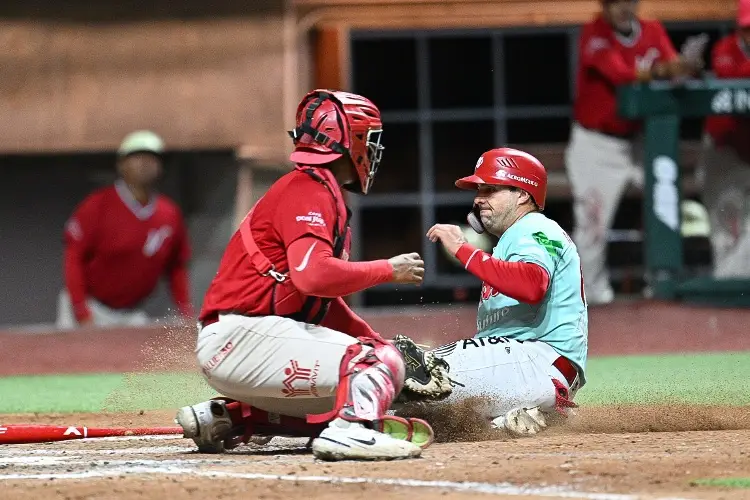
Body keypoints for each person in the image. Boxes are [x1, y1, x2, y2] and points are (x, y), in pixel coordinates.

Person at [175, 90, 435, 462]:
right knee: (374, 366)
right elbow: (313, 277)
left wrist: (377, 342)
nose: (375, 151)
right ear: (351, 141)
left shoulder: (317, 190)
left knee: (370, 377)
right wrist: (388, 270)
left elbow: (318, 302)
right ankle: (355, 433)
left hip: (249, 343)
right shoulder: (308, 188)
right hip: (245, 337)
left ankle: (230, 418)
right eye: (371, 139)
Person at [420, 147, 587, 436]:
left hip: (536, 360)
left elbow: (532, 285)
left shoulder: (534, 228)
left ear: (523, 194)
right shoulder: (512, 239)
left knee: (412, 372)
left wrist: (463, 250)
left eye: (490, 190)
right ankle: (510, 420)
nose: (478, 199)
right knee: (438, 416)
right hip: (524, 365)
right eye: (478, 191)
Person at [565, 0, 707, 304]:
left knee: (666, 210)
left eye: (626, 0)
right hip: (597, 144)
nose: (621, 8)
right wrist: (668, 69)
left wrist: (683, 68)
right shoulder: (594, 33)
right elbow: (622, 75)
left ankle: (662, 289)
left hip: (642, 141)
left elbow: (673, 68)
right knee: (592, 225)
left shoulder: (652, 31)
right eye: (614, 2)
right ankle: (591, 301)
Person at [57, 130, 193, 329]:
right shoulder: (97, 205)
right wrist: (81, 310)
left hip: (131, 314)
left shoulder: (169, 213)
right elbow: (73, 257)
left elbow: (176, 266)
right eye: (137, 157)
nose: (145, 163)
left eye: (152, 157)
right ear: (121, 164)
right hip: (90, 307)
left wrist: (185, 312)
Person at [698, 0, 750, 278]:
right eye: (747, 28)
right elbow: (734, 78)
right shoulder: (724, 50)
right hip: (724, 151)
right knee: (728, 229)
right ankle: (726, 297)